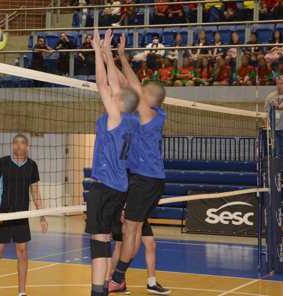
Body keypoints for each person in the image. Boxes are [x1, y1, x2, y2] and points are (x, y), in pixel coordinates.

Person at [111, 33, 169, 295]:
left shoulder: (150, 113)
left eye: (144, 91)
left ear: (150, 98)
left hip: (145, 179)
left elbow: (132, 85)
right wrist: (107, 59)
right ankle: (119, 279)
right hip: (146, 179)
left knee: (130, 229)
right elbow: (126, 84)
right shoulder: (149, 113)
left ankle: (118, 278)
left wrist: (122, 55)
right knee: (130, 229)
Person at [86, 29, 139, 296]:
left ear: (119, 102)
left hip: (103, 186)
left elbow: (103, 85)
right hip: (119, 188)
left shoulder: (116, 117)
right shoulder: (132, 119)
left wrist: (97, 51)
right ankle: (104, 288)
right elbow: (117, 87)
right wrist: (108, 54)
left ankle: (97, 291)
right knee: (105, 239)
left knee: (98, 242)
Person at [0, 134, 48, 296]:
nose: (19, 146)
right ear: (12, 146)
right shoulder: (3, 162)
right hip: (3, 216)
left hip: (21, 217)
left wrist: (42, 216)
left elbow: (35, 193)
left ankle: (22, 292)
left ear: (28, 147)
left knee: (22, 253)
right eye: (16, 143)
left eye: (22, 143)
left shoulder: (32, 166)